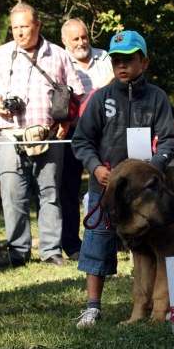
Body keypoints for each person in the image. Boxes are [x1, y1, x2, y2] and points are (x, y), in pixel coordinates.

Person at [71, 30, 174, 328]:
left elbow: (169, 141)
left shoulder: (156, 97)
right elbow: (81, 141)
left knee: (153, 246)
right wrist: (95, 168)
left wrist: (153, 170)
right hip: (105, 190)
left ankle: (158, 305)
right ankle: (92, 307)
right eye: (116, 60)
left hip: (147, 193)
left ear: (143, 62)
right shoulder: (100, 98)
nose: (121, 65)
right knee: (96, 243)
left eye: (128, 60)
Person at [0, 3, 84, 268]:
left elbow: (76, 92)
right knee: (12, 195)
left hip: (49, 134)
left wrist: (67, 120)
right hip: (11, 136)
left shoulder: (58, 54)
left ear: (37, 25)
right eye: (15, 27)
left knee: (50, 194)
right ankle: (17, 252)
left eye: (24, 26)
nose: (19, 32)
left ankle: (50, 250)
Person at [60, 18, 114, 261]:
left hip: (105, 131)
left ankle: (115, 237)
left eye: (84, 36)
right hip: (71, 131)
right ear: (64, 41)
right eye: (75, 38)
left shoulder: (106, 58)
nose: (82, 42)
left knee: (111, 183)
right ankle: (72, 245)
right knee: (68, 189)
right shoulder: (58, 60)